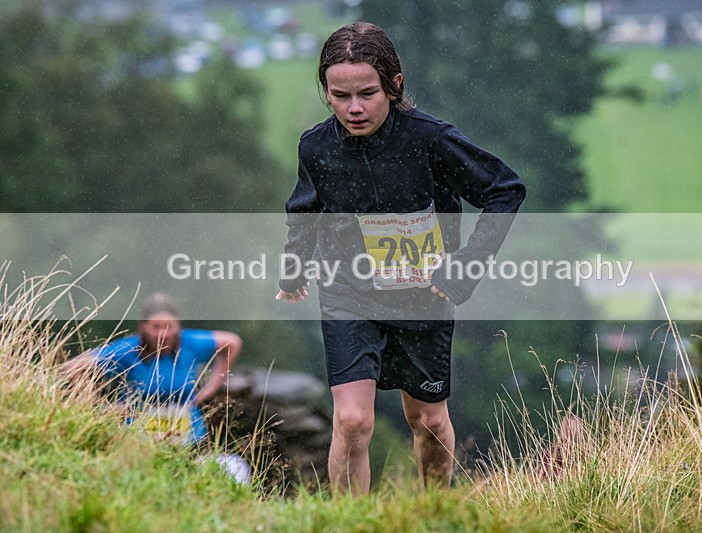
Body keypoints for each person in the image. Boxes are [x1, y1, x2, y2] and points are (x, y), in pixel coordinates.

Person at [275, 22, 526, 496]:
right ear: (325, 92)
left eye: (367, 93)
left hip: (423, 295)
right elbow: (305, 208)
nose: (353, 107)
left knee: (427, 420)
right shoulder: (315, 145)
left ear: (395, 85)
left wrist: (466, 265)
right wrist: (295, 267)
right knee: (351, 421)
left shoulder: (431, 139)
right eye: (339, 94)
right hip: (348, 293)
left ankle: (434, 512)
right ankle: (352, 524)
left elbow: (505, 189)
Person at [62, 292, 241, 446]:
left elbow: (232, 342)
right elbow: (73, 367)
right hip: (138, 441)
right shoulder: (128, 349)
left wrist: (212, 387)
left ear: (178, 326)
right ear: (143, 326)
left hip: (191, 439)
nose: (163, 334)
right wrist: (99, 407)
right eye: (156, 327)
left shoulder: (190, 343)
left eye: (169, 326)